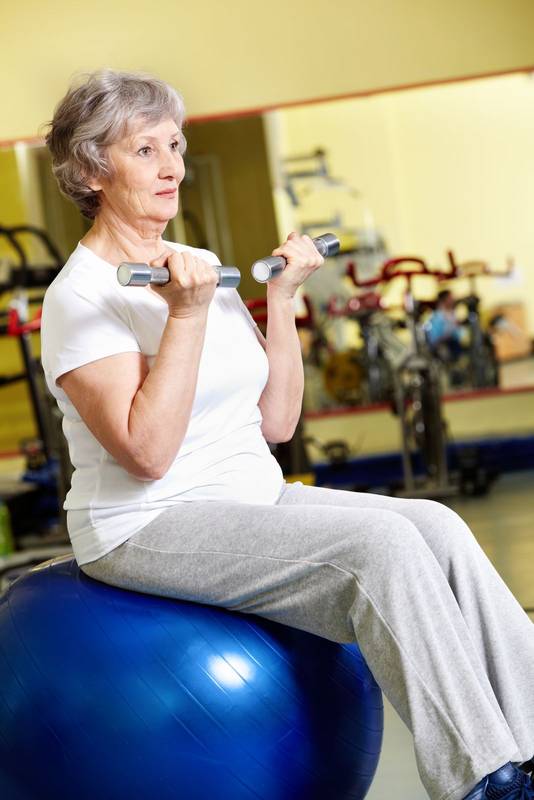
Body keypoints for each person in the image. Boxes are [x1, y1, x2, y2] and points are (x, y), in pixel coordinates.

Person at [41, 70, 534, 800]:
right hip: (146, 522)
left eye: (175, 146)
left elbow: (275, 421)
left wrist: (281, 297)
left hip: (251, 495)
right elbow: (146, 454)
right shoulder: (80, 297)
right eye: (145, 150)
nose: (172, 167)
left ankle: (531, 745)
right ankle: (485, 782)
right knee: (382, 548)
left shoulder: (198, 268)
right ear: (90, 170)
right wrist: (186, 316)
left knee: (437, 527)